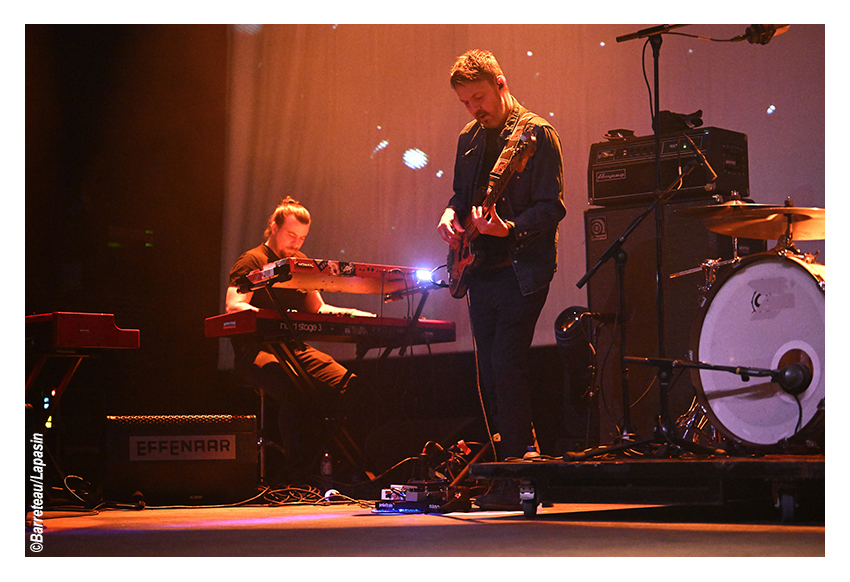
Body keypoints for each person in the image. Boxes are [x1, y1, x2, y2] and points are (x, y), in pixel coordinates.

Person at [437, 49, 566, 509]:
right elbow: (460, 194)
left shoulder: (538, 134)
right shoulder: (468, 138)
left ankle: (524, 470)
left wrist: (508, 228)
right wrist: (451, 215)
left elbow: (552, 208)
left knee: (507, 364)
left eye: (480, 97)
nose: (475, 108)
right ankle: (511, 470)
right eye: (466, 102)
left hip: (521, 267)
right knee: (491, 373)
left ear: (501, 84)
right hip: (480, 269)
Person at [227, 196, 374, 481]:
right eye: (291, 235)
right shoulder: (252, 260)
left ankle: (344, 467)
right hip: (256, 350)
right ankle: (298, 476)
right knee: (298, 392)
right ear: (273, 227)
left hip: (293, 348)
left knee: (348, 385)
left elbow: (317, 308)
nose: (296, 243)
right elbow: (234, 305)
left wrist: (355, 313)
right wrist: (266, 316)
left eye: (302, 238)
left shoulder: (301, 263)